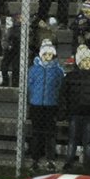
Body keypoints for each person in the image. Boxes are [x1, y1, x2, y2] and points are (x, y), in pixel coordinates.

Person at [61, 46, 90, 172]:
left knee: (88, 141)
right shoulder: (71, 77)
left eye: (89, 61)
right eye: (84, 61)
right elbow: (63, 94)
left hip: (89, 113)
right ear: (79, 62)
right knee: (73, 139)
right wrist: (64, 110)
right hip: (75, 112)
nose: (87, 63)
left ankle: (88, 166)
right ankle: (68, 164)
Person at [26, 40, 65, 172]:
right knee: (36, 133)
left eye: (50, 54)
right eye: (45, 54)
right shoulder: (33, 69)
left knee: (50, 134)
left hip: (51, 105)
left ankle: (50, 160)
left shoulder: (58, 71)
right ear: (41, 54)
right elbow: (29, 86)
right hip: (36, 105)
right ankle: (35, 159)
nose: (47, 57)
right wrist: (31, 99)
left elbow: (60, 87)